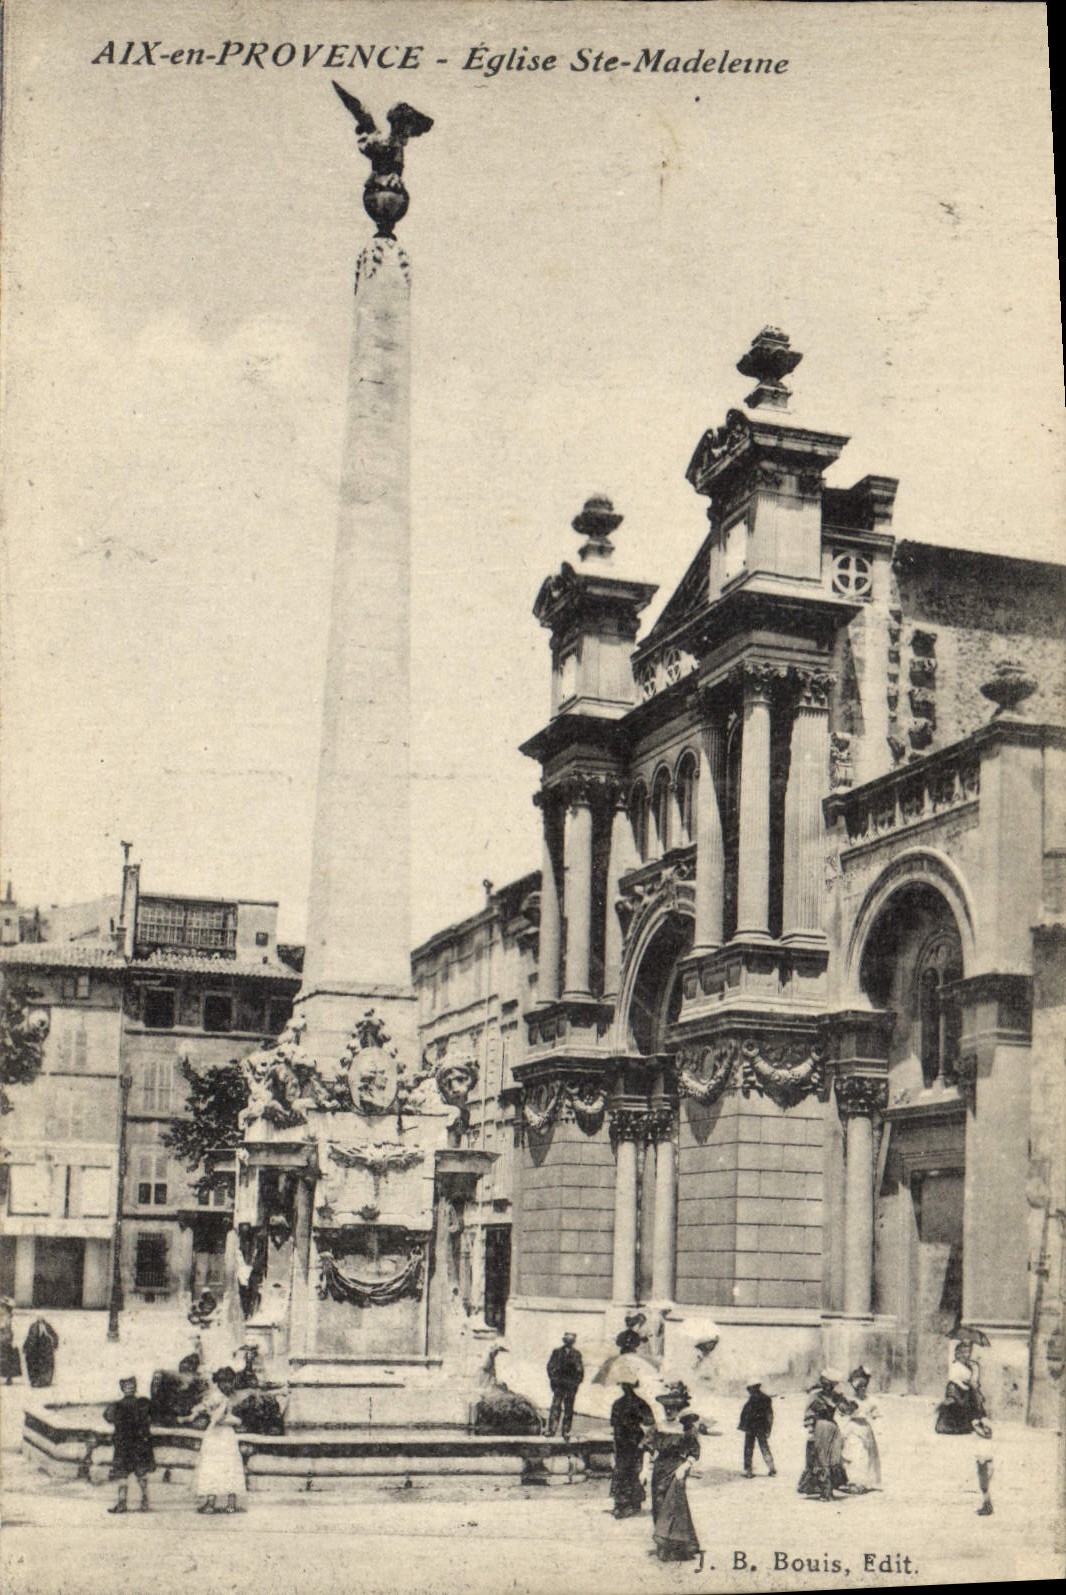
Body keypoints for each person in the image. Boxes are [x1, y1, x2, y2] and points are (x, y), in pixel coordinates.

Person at [935, 1361, 994, 1515]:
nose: (975, 1382)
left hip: (978, 1440)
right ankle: (986, 1502)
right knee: (981, 1470)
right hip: (975, 1439)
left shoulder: (972, 1395)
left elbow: (981, 1421)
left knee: (982, 1470)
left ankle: (986, 1503)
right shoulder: (967, 1392)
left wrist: (977, 1423)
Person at [647, 1410, 704, 1567]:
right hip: (659, 1470)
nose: (669, 1411)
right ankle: (663, 1545)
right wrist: (644, 1470)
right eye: (666, 1407)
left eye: (673, 1407)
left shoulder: (687, 1428)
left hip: (677, 1470)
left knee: (673, 1506)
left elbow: (694, 1453)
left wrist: (684, 1468)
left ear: (678, 1409)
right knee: (658, 1505)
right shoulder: (657, 1427)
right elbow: (648, 1448)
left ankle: (676, 1546)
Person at [190, 1367, 247, 1513]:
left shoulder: (231, 1398)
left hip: (227, 1436)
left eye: (229, 1382)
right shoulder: (215, 1397)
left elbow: (230, 1417)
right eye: (223, 1382)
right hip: (215, 1435)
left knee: (230, 1465)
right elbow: (211, 1413)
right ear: (218, 1383)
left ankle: (231, 1503)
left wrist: (235, 1420)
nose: (227, 1385)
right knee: (212, 1465)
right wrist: (197, 1412)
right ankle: (210, 1502)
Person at [104, 1376, 155, 1513]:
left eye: (130, 1386)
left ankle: (123, 1503)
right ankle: (144, 1501)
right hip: (139, 1444)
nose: (130, 1388)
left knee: (123, 1474)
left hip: (124, 1444)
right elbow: (155, 1415)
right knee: (140, 1473)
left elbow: (108, 1417)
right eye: (128, 1386)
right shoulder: (143, 1404)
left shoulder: (116, 1406)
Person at [797, 1371, 847, 1501]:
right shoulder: (815, 1397)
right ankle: (825, 1492)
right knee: (821, 1459)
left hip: (833, 1429)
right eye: (826, 1384)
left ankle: (829, 1490)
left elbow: (845, 1410)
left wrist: (848, 1406)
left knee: (834, 1458)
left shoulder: (836, 1397)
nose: (829, 1387)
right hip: (820, 1428)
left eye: (831, 1385)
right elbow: (809, 1415)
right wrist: (811, 1430)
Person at [609, 1379, 654, 1518]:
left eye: (626, 1385)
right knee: (627, 1471)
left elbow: (650, 1423)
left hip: (630, 1442)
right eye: (624, 1385)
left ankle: (628, 1503)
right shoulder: (638, 1403)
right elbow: (650, 1422)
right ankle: (625, 1503)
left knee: (629, 1471)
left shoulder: (621, 1403)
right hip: (627, 1442)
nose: (625, 1387)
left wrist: (643, 1442)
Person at [841, 1365, 881, 1490]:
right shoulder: (849, 1400)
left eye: (864, 1386)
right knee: (853, 1454)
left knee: (864, 1456)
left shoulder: (871, 1401)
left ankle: (863, 1482)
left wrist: (877, 1423)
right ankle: (853, 1481)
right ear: (855, 1388)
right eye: (860, 1387)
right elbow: (842, 1413)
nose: (862, 1389)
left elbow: (876, 1414)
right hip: (852, 1428)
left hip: (865, 1428)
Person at [545, 1331, 583, 1441]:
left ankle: (566, 1431)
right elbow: (550, 1366)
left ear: (573, 1342)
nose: (569, 1342)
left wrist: (576, 1383)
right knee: (556, 1406)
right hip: (559, 1384)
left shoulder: (576, 1354)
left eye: (571, 1340)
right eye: (567, 1340)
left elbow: (580, 1371)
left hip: (571, 1385)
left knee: (569, 1408)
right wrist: (553, 1379)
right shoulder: (557, 1352)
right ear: (564, 1341)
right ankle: (551, 1429)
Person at [738, 1380, 776, 1478]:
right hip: (759, 1428)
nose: (749, 1391)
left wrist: (743, 1425)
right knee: (763, 1448)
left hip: (753, 1428)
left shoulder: (755, 1400)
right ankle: (771, 1469)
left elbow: (746, 1414)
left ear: (755, 1388)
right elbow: (770, 1416)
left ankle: (748, 1471)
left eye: (750, 1389)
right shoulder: (765, 1399)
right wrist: (768, 1428)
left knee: (750, 1449)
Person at [22, 1318, 59, 1388]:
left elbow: (54, 1335)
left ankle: (45, 1380)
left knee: (46, 1365)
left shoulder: (47, 1326)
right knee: (34, 1364)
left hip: (45, 1350)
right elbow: (29, 1337)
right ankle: (35, 1380)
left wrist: (55, 1344)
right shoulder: (33, 1326)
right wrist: (25, 1346)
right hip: (35, 1349)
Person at [0, 1298, 21, 1384]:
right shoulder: (5, 1317)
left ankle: (9, 1377)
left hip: (6, 1341)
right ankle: (8, 1377)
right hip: (4, 1340)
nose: (1, 1309)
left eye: (2, 1307)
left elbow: (11, 1330)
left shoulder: (8, 1318)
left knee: (7, 1359)